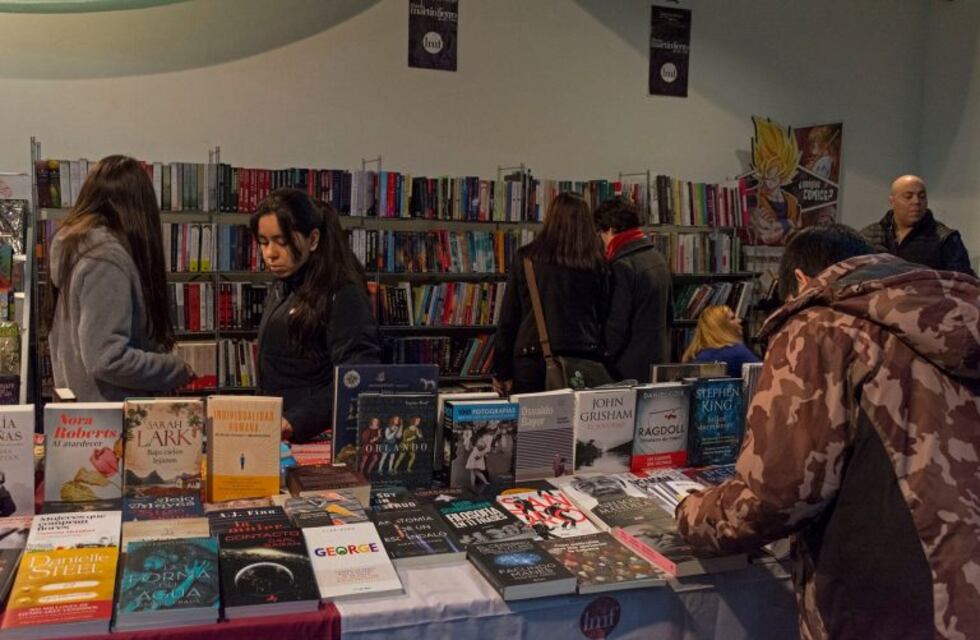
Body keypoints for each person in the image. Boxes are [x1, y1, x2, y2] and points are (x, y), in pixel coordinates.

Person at [677, 224, 980, 638]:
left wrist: (692, 514)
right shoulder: (963, 310)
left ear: (800, 280)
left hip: (884, 602)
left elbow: (777, 493)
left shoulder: (820, 327)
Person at [46, 155, 190, 401]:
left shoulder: (77, 251)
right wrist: (175, 368)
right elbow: (107, 358)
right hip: (113, 421)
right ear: (139, 207)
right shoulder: (105, 260)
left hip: (85, 422)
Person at [252, 188, 381, 443]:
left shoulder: (342, 292)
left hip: (314, 434)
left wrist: (297, 420)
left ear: (313, 240)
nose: (270, 253)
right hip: (278, 430)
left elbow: (356, 374)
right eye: (263, 242)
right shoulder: (284, 284)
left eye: (282, 241)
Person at [493, 192, 609, 394]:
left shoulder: (527, 258)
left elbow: (508, 319)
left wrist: (502, 371)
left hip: (532, 360)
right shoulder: (596, 263)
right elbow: (604, 314)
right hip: (585, 359)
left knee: (533, 425)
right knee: (580, 425)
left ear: (550, 219)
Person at [593, 196, 672, 381]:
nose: (602, 241)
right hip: (657, 363)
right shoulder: (657, 258)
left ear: (611, 229)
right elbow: (669, 316)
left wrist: (600, 359)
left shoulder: (623, 266)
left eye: (601, 233)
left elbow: (616, 328)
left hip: (627, 369)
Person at [860, 174, 975, 276]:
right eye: (908, 196)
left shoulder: (946, 239)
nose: (916, 201)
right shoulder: (868, 236)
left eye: (921, 196)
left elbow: (963, 286)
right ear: (892, 201)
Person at [680, 305, 759, 378]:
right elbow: (762, 379)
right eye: (732, 318)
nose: (739, 320)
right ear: (721, 326)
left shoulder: (694, 356)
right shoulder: (737, 352)